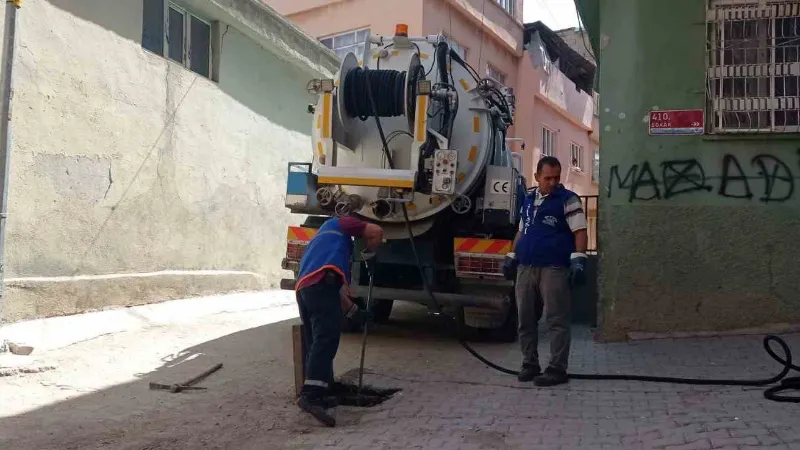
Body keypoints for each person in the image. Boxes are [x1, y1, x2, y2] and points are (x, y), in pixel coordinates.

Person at [503, 156, 588, 387]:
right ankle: (529, 363)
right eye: (547, 178)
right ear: (537, 177)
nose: (552, 182)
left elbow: (580, 231)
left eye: (556, 178)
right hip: (526, 267)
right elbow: (522, 231)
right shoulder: (529, 200)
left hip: (554, 268)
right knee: (525, 319)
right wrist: (512, 255)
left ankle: (557, 369)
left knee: (556, 320)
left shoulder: (568, 200)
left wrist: (579, 259)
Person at [294, 216, 384, 426]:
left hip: (306, 288)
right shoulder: (340, 224)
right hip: (320, 286)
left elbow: (332, 288)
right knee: (326, 339)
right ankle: (311, 395)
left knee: (317, 340)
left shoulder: (325, 243)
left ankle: (323, 388)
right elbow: (376, 231)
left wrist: (355, 312)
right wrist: (371, 254)